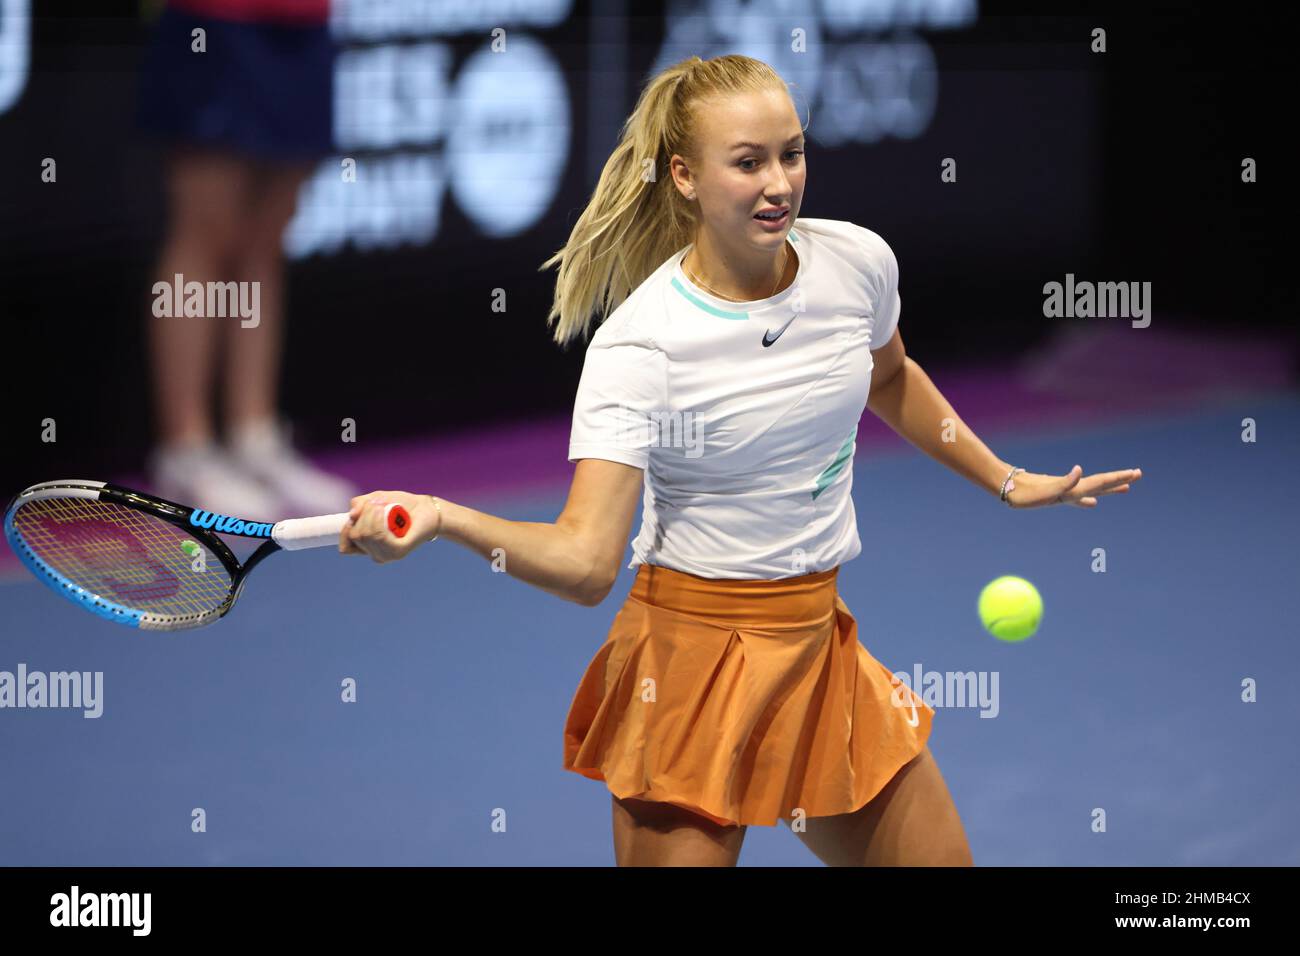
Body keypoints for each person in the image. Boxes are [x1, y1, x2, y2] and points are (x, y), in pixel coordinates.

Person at [337, 54, 1142, 866]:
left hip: (818, 649)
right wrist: (442, 516)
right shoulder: (641, 344)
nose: (779, 184)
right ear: (684, 176)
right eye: (748, 162)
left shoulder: (856, 264)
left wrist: (1003, 479)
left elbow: (890, 376)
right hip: (685, 673)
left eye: (791, 154)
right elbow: (585, 565)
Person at [137, 0, 354, 520]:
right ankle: (186, 447)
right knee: (204, 236)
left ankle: (253, 437)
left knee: (265, 243)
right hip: (217, 21)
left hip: (305, 22)